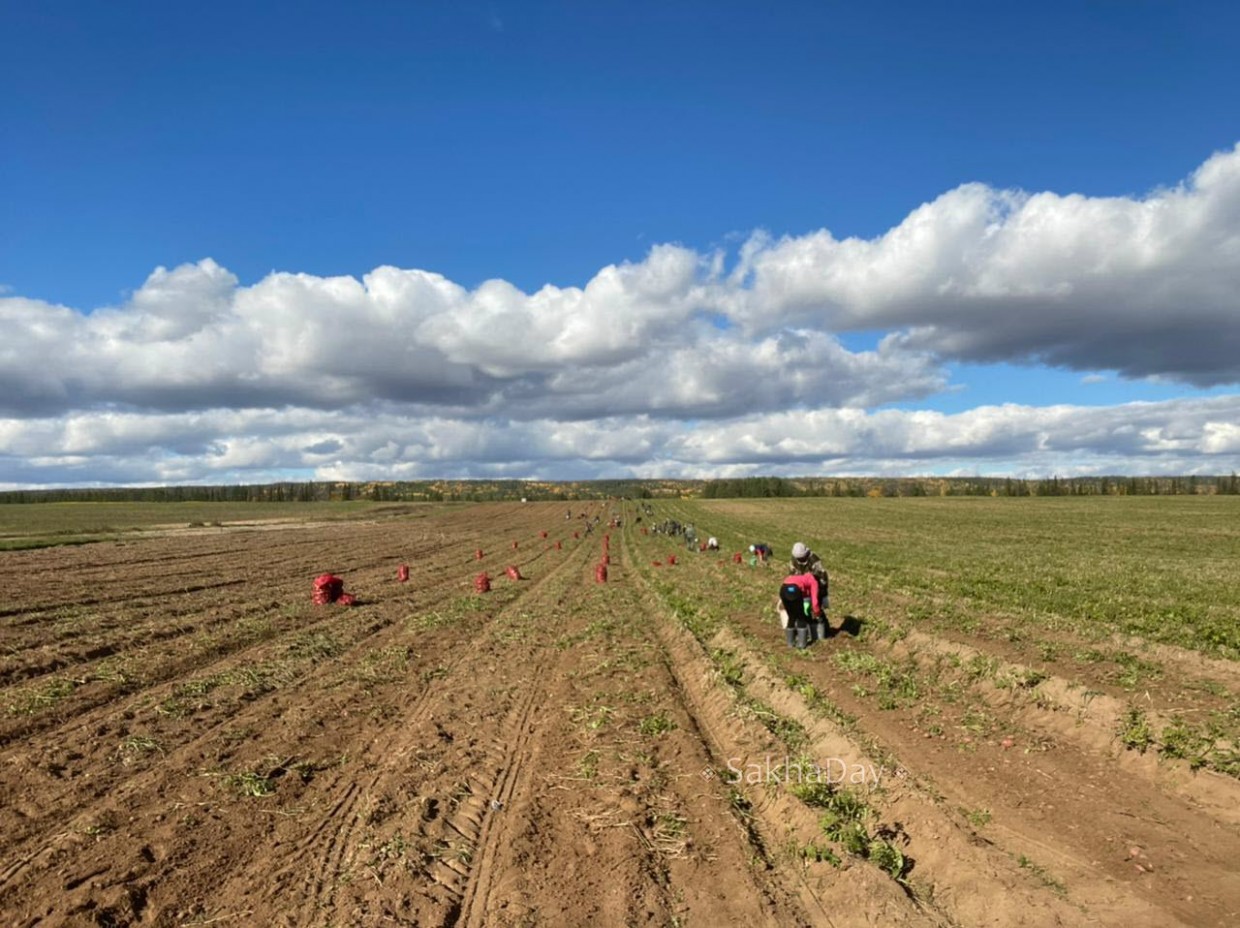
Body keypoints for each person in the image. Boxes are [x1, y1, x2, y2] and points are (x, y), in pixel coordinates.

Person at [778, 572, 822, 649]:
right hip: (795, 590)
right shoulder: (813, 581)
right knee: (801, 617)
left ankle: (790, 643)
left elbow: (804, 595)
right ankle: (802, 644)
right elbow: (815, 602)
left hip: (783, 589)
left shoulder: (801, 578)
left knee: (791, 616)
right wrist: (817, 613)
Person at [789, 542, 829, 613]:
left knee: (816, 608)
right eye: (798, 558)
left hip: (815, 588)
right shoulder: (793, 560)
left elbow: (822, 577)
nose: (800, 559)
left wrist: (824, 595)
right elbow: (792, 576)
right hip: (801, 589)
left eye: (802, 557)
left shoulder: (814, 560)